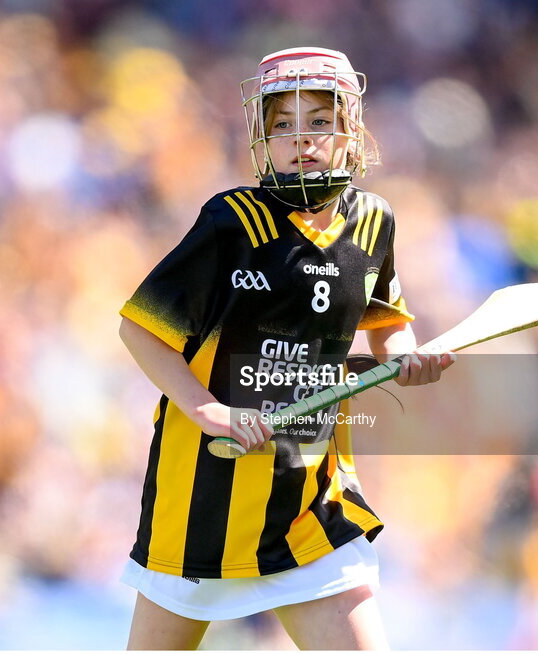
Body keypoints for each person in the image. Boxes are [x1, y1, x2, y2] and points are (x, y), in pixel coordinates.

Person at [118, 47, 454, 650]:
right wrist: (209, 410)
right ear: (262, 139)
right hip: (202, 508)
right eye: (282, 125)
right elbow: (139, 331)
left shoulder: (374, 223)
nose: (302, 139)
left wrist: (406, 356)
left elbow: (386, 326)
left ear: (350, 131)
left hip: (310, 503)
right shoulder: (231, 222)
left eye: (320, 122)